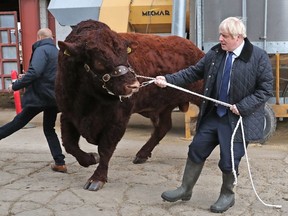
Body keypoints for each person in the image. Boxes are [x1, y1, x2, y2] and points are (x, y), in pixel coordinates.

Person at [154, 17, 273, 213]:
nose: (220, 39)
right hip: (213, 115)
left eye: (225, 36)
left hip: (236, 120)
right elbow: (192, 73)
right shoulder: (216, 53)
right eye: (220, 35)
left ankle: (228, 195)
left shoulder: (258, 57)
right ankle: (185, 189)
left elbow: (265, 90)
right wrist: (167, 79)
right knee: (196, 149)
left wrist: (242, 106)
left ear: (238, 37)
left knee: (229, 160)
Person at [0, 28, 67, 173]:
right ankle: (60, 162)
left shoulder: (41, 50)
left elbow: (36, 71)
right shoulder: (57, 52)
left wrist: (16, 85)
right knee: (49, 129)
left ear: (39, 37)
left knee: (16, 123)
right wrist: (26, 77)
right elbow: (49, 73)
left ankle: (60, 161)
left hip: (39, 97)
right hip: (53, 97)